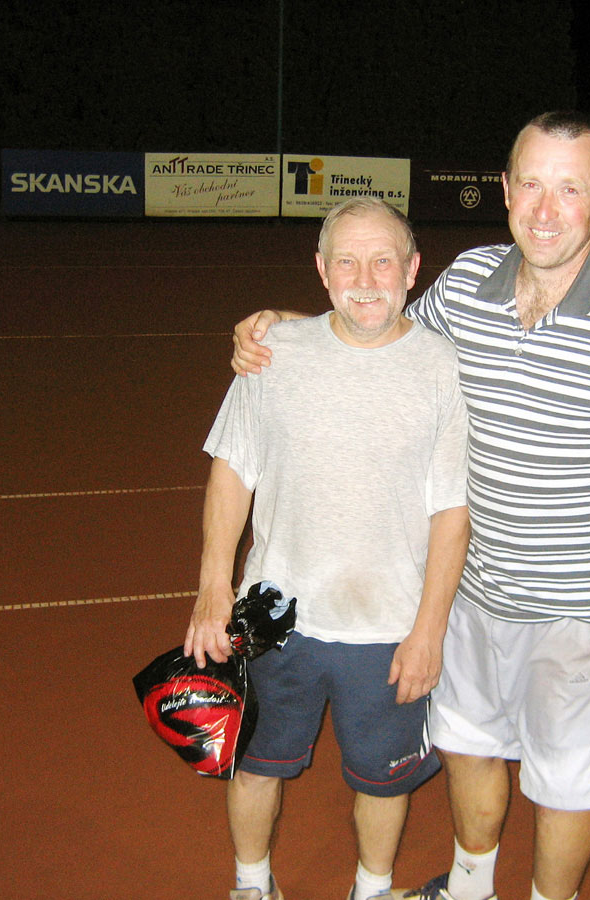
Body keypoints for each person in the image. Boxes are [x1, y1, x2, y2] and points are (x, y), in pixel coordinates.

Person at [231, 112, 590, 900]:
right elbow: (388, 333)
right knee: (470, 749)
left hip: (586, 606)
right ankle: (470, 888)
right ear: (506, 190)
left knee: (564, 784)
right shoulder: (468, 283)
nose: (546, 210)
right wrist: (288, 327)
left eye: (570, 189)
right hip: (476, 591)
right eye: (531, 184)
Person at [186, 197, 471, 900]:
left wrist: (429, 630)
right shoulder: (273, 354)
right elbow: (233, 471)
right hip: (273, 618)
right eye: (347, 261)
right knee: (255, 764)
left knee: (383, 780)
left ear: (413, 269)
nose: (365, 279)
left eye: (383, 261)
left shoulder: (442, 368)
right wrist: (213, 588)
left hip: (388, 627)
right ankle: (252, 885)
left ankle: (371, 890)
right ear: (321, 269)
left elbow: (452, 511)